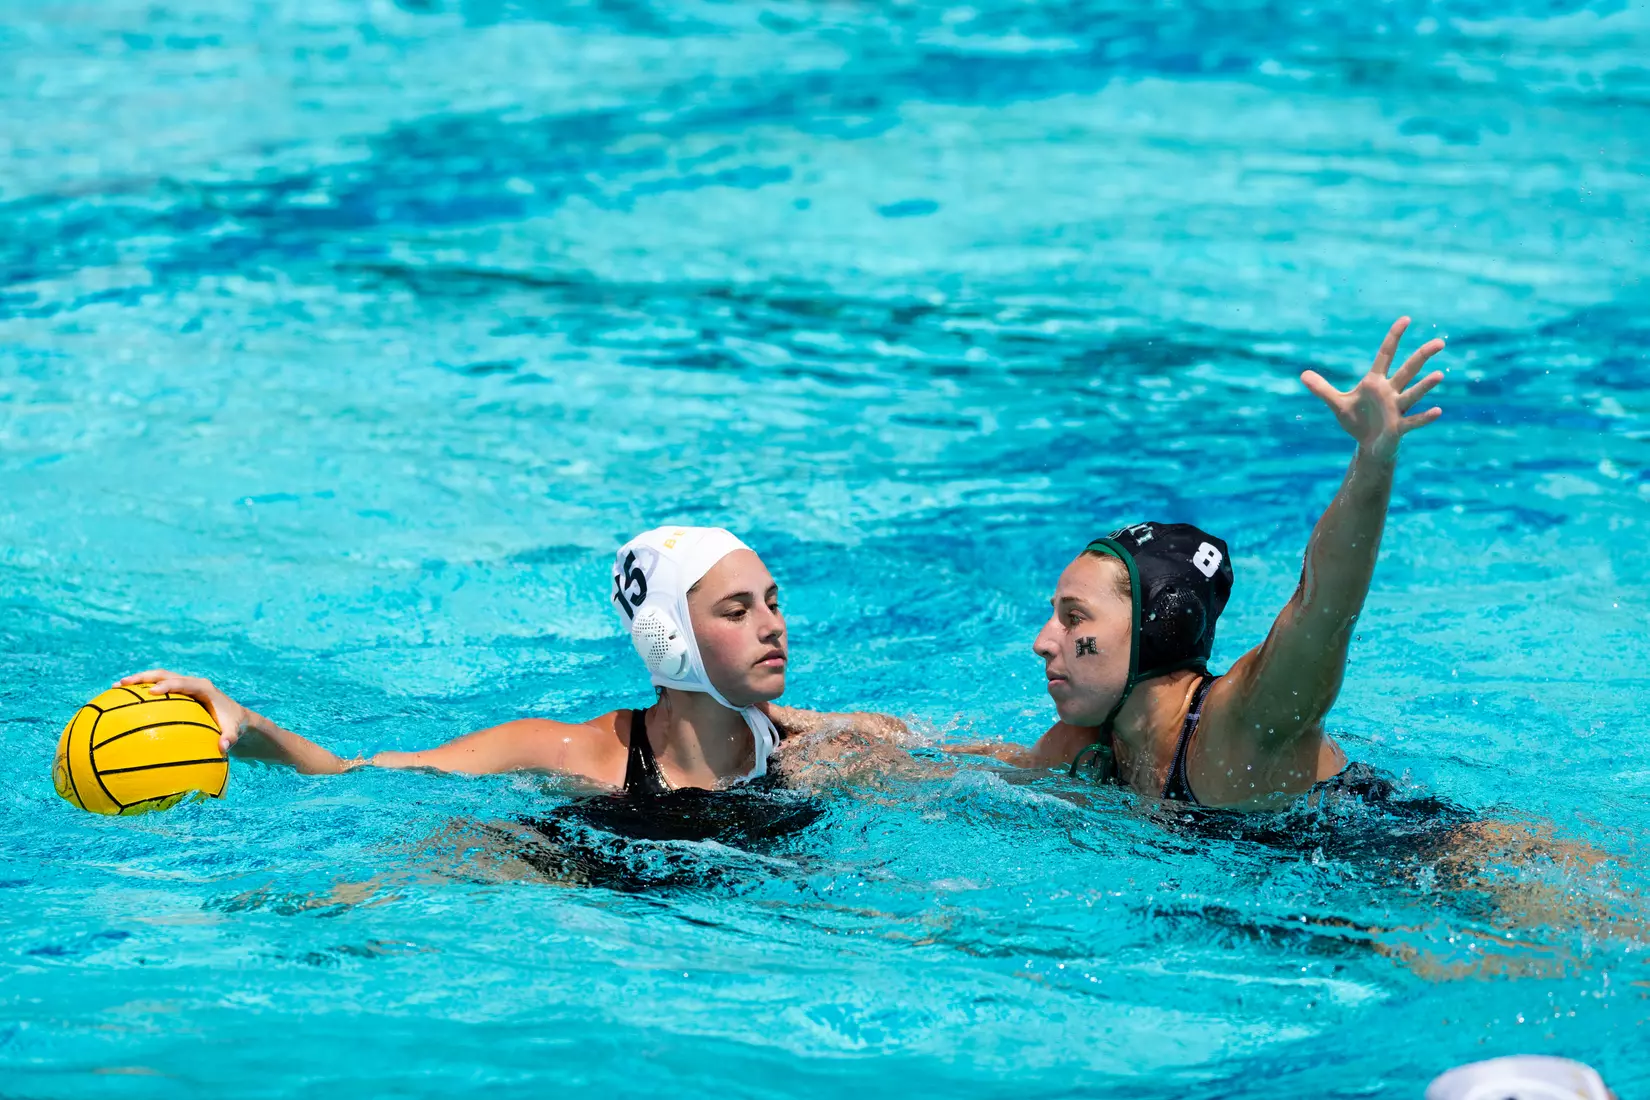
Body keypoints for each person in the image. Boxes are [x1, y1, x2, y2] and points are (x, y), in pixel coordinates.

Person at [955, 316, 1447, 811]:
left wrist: (1373, 457)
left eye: (1074, 617)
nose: (1042, 642)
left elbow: (1325, 607)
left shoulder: (1242, 724)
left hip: (1423, 862)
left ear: (1159, 626)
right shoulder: (1094, 742)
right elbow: (953, 771)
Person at [120, 526, 904, 796]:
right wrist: (245, 725)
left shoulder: (822, 746)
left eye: (773, 600)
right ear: (666, 638)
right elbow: (361, 776)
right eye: (737, 610)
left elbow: (997, 772)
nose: (773, 626)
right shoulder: (573, 753)